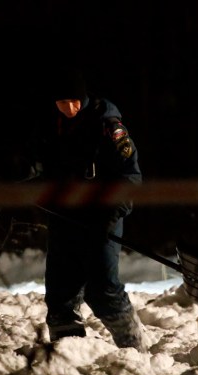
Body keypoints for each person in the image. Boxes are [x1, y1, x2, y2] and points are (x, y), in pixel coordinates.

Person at [24, 67, 148, 352]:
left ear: (84, 98)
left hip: (102, 217)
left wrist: (113, 211)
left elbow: (130, 175)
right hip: (64, 218)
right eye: (62, 102)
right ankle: (70, 352)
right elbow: (39, 166)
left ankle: (134, 350)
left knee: (103, 290)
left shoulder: (108, 125)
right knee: (60, 293)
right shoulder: (48, 125)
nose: (69, 108)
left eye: (74, 102)